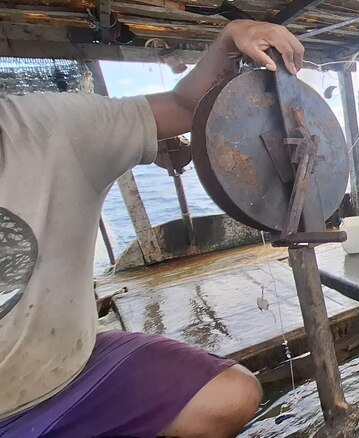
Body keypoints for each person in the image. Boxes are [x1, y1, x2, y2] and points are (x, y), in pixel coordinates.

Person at [0, 20, 304, 436]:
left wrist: (229, 39)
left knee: (232, 396)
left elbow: (183, 106)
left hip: (70, 372)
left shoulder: (45, 130)